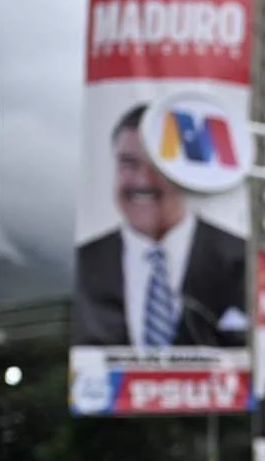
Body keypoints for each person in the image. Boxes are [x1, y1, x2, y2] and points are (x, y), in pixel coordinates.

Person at [71, 103, 248, 349]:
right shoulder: (85, 262)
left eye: (157, 166)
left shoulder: (240, 258)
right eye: (129, 163)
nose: (143, 180)